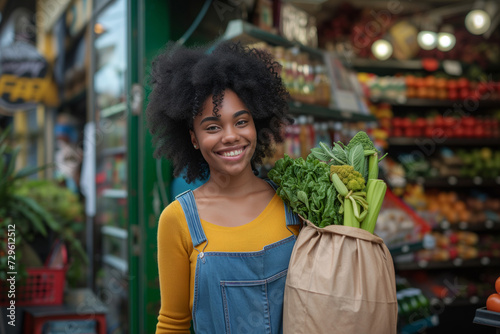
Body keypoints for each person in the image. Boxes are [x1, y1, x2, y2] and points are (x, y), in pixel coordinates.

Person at [146, 41, 301, 334]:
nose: (231, 136)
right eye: (213, 127)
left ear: (257, 126)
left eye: (241, 121)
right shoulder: (177, 220)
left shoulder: (293, 203)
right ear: (193, 138)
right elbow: (172, 323)